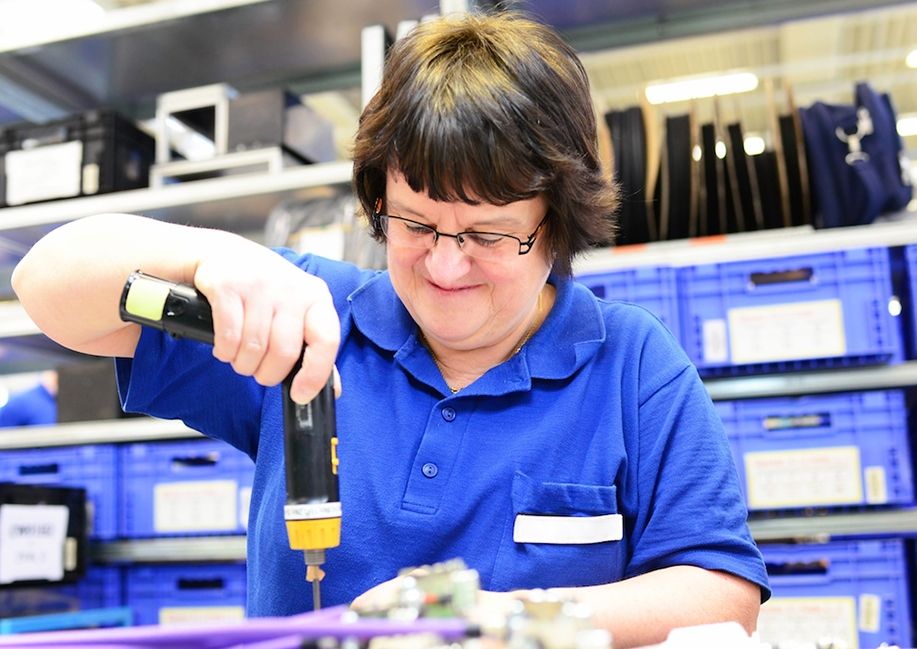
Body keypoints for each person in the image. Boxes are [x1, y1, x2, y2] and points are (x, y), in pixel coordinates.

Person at [12, 11, 768, 647]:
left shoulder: (631, 363)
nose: (444, 266)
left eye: (486, 233)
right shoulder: (304, 314)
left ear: (556, 221)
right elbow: (44, 287)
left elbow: (721, 595)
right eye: (414, 223)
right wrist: (208, 254)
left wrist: (490, 623)